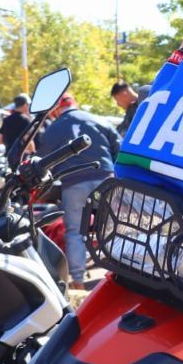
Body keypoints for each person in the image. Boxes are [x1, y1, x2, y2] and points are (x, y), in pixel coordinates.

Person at [38, 94, 120, 290]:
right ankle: (120, 274)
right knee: (115, 228)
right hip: (106, 179)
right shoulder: (98, 119)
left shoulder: (52, 128)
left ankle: (78, 282)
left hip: (73, 183)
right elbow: (119, 147)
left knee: (75, 232)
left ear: (56, 109)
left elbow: (43, 162)